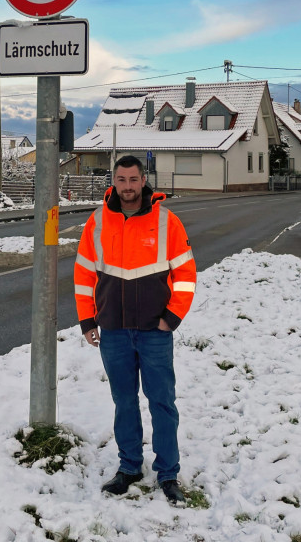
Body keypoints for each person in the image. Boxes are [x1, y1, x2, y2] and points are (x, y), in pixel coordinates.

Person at [74, 155, 197, 506]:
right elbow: (84, 275)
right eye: (121, 179)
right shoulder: (97, 222)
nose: (127, 186)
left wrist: (171, 318)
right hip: (113, 331)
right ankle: (129, 467)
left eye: (133, 179)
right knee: (124, 403)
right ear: (112, 182)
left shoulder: (167, 221)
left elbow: (186, 275)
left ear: (144, 180)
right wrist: (88, 320)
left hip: (154, 331)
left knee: (162, 402)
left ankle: (168, 473)